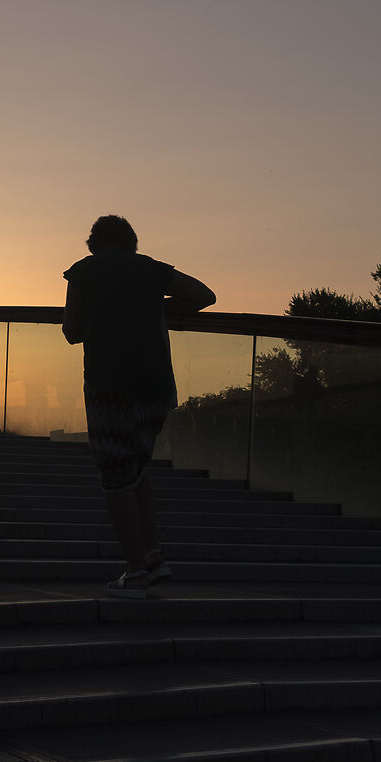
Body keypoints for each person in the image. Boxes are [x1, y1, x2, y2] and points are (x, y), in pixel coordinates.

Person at [62, 215, 216, 596]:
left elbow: (72, 331)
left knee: (116, 477)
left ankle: (134, 569)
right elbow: (203, 296)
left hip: (109, 386)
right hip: (156, 387)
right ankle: (154, 558)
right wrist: (155, 305)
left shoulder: (84, 273)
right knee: (136, 470)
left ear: (94, 244)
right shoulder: (152, 269)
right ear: (132, 242)